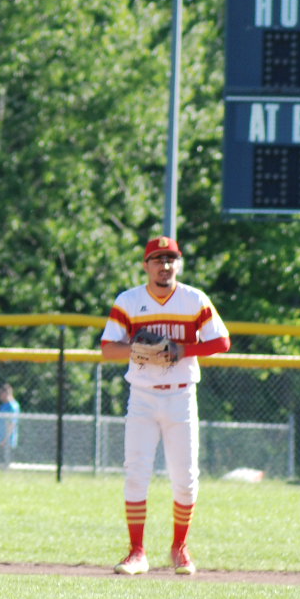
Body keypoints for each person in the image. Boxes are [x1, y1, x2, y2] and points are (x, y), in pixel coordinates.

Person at [97, 235, 230, 575]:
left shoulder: (193, 299)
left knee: (185, 478)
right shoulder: (129, 301)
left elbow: (222, 341)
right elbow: (108, 348)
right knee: (136, 474)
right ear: (146, 265)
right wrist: (138, 349)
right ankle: (137, 552)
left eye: (170, 259)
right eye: (157, 259)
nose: (165, 265)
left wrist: (183, 350)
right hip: (142, 395)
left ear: (178, 264)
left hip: (181, 395)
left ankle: (180, 548)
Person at [0, 382, 20, 468]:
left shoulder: (12, 407)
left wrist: (5, 440)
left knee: (2, 464)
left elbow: (12, 424)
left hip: (5, 441)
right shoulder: (3, 406)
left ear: (6, 393)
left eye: (0, 394)